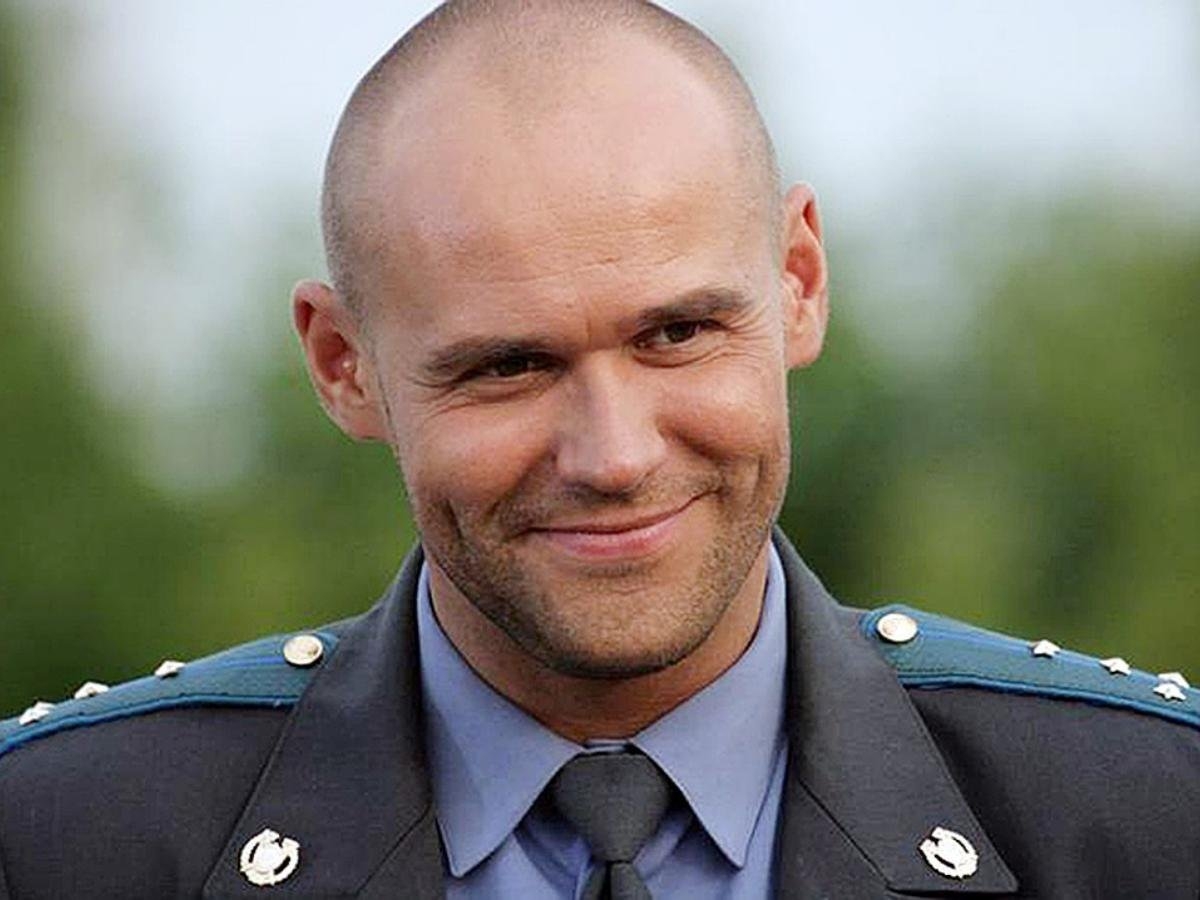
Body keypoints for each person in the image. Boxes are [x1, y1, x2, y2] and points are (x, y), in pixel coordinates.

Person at [1, 2, 1197, 897]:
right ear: (342, 365)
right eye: (507, 367)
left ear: (798, 282)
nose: (615, 457)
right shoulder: (59, 841)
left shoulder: (1147, 816)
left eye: (677, 334)